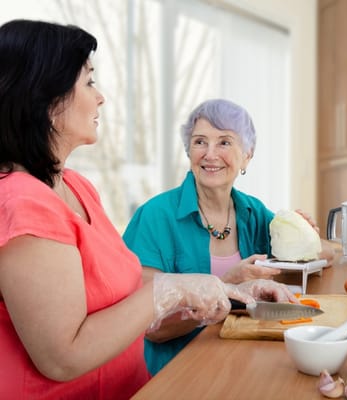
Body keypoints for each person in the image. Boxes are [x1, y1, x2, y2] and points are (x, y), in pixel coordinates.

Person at [0, 20, 297, 399]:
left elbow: (126, 301)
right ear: (45, 100)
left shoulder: (75, 185)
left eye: (225, 142)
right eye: (89, 82)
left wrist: (225, 287)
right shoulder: (23, 203)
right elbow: (63, 358)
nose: (101, 97)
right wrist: (171, 288)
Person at [123, 98, 334, 375]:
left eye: (224, 142)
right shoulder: (154, 217)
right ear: (189, 151)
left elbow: (328, 253)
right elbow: (151, 328)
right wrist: (225, 284)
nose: (210, 154)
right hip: (174, 374)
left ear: (247, 155)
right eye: (200, 142)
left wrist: (306, 236)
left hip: (241, 361)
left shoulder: (252, 211)